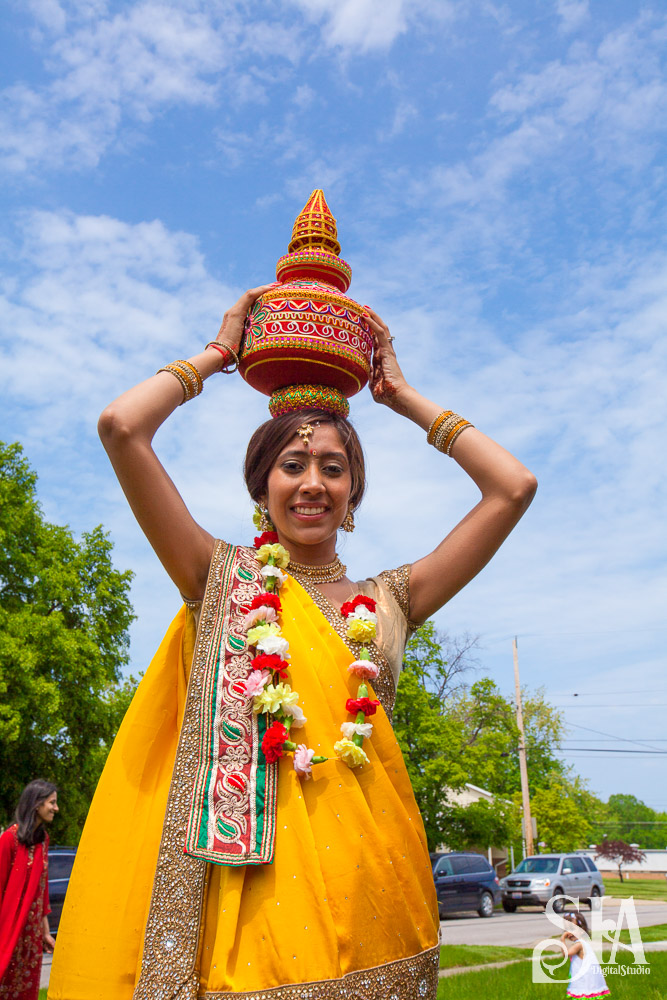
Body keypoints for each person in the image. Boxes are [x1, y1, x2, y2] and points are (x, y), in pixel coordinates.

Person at [49, 287, 537, 1000]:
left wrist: (399, 397)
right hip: (256, 905)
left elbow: (513, 487)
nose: (313, 484)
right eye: (292, 466)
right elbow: (121, 426)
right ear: (261, 486)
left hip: (379, 893)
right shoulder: (218, 578)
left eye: (333, 468)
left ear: (354, 491)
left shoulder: (390, 601)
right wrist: (216, 355)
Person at [1, 780, 58, 999]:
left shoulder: (43, 840)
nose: (56, 808)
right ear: (37, 804)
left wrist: (45, 932)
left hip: (32, 931)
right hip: (9, 928)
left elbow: (41, 889)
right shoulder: (9, 840)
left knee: (27, 984)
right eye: (52, 803)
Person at [560, 911, 610, 998]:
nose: (569, 933)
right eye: (567, 930)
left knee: (584, 996)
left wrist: (562, 939)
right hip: (589, 979)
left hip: (584, 981)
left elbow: (565, 954)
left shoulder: (579, 945)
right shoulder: (584, 943)